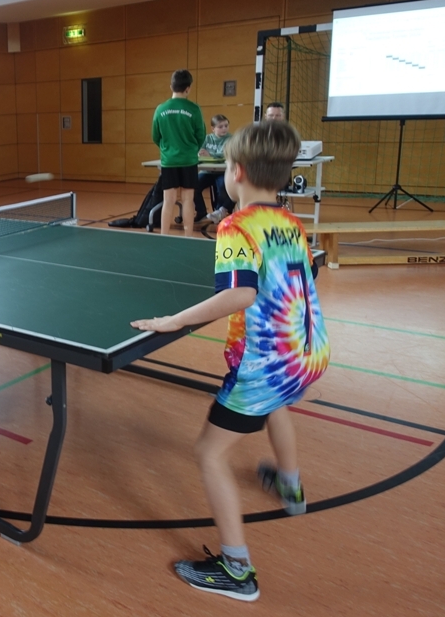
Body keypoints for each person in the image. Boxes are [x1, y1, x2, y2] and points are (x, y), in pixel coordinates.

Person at [131, 120, 330, 602]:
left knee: (209, 453)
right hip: (307, 352)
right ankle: (290, 486)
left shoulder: (236, 226)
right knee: (277, 406)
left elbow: (240, 293)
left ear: (236, 172)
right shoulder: (291, 221)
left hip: (264, 364)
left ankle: (237, 570)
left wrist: (176, 320)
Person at [151, 70, 205, 237]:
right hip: (189, 160)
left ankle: (164, 236)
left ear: (171, 87)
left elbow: (155, 136)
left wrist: (167, 149)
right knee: (188, 199)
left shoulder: (161, 109)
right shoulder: (194, 109)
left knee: (168, 200)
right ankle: (188, 237)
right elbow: (201, 135)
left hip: (169, 161)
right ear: (188, 89)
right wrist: (191, 149)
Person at [193, 114, 233, 225]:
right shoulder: (207, 138)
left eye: (226, 126)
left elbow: (226, 155)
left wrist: (210, 155)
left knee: (222, 187)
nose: (224, 129)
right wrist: (201, 154)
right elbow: (200, 152)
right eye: (220, 127)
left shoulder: (231, 139)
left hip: (223, 172)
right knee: (193, 186)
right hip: (207, 171)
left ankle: (219, 212)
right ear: (213, 128)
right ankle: (201, 211)